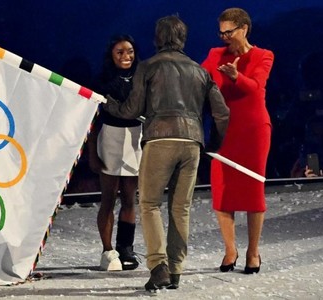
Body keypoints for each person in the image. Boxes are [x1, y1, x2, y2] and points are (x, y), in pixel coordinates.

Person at [103, 15, 230, 291]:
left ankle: (158, 265)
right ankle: (175, 270)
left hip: (160, 139)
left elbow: (131, 110)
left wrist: (108, 103)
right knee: (180, 208)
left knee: (149, 204)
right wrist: (212, 145)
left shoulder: (147, 67)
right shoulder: (200, 71)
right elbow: (222, 113)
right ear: (182, 39)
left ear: (157, 39)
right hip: (192, 141)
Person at [201, 7, 274, 274]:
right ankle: (230, 250)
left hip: (254, 131)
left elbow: (255, 87)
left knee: (253, 192)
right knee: (223, 191)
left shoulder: (264, 56)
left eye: (228, 32)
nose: (224, 37)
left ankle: (253, 252)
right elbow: (199, 78)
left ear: (243, 29)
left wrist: (236, 76)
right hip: (224, 131)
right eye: (221, 32)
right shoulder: (215, 54)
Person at [87, 35, 142, 271]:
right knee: (108, 199)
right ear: (111, 54)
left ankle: (125, 248)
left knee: (130, 198)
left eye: (129, 51)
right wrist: (92, 153)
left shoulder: (142, 77)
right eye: (120, 52)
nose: (126, 56)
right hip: (109, 137)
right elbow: (92, 121)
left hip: (135, 138)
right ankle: (108, 251)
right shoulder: (101, 80)